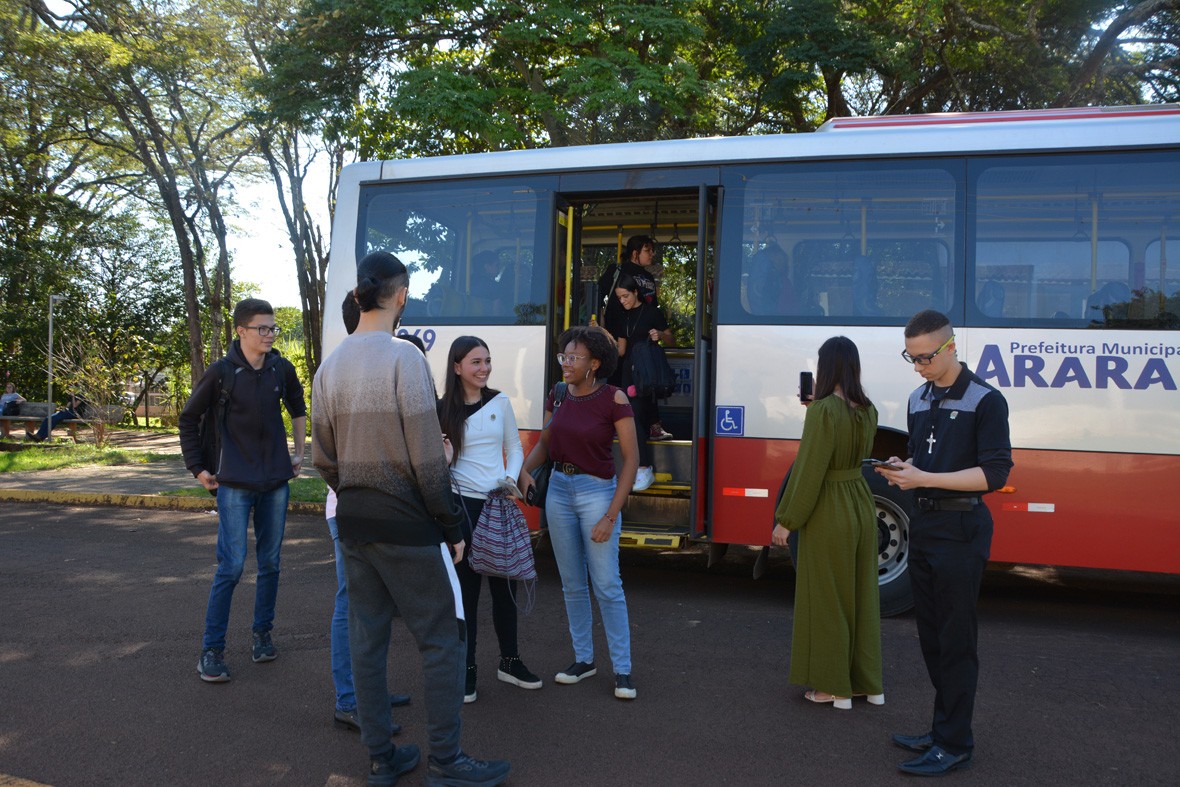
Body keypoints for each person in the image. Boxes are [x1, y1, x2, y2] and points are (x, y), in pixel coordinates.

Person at [312, 251, 510, 786]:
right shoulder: (405, 359)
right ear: (400, 295)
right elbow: (427, 459)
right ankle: (447, 762)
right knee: (443, 640)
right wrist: (452, 526)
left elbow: (323, 460)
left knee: (367, 641)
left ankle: (382, 758)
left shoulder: (328, 367)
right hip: (407, 524)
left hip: (353, 522)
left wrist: (357, 492)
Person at [876, 309, 1013, 777]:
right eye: (911, 358)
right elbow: (924, 455)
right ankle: (942, 729)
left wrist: (925, 477)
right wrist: (904, 466)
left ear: (951, 347)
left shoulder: (986, 400)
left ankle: (954, 743)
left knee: (956, 643)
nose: (918, 367)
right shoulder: (918, 397)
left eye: (926, 357)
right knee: (932, 639)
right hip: (927, 528)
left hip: (962, 530)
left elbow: (995, 474)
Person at [179, 298, 306, 683]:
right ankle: (211, 651)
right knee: (231, 567)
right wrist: (198, 468)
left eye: (273, 328)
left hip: (275, 484)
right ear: (241, 331)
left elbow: (298, 408)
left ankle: (262, 636)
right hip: (233, 483)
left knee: (270, 563)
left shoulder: (281, 369)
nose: (269, 335)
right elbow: (188, 417)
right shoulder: (221, 372)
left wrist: (299, 454)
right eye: (262, 328)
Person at [518, 324, 641, 701]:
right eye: (564, 356)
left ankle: (622, 670)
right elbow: (547, 442)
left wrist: (610, 515)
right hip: (558, 490)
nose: (566, 363)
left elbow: (632, 460)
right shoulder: (560, 394)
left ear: (594, 364)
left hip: (596, 492)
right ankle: (584, 660)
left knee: (606, 584)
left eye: (574, 358)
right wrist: (523, 470)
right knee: (572, 584)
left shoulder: (614, 399)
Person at [771, 336, 883, 711]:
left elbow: (809, 471)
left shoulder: (823, 412)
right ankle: (868, 685)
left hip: (830, 509)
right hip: (861, 504)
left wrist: (786, 521)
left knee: (827, 598)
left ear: (826, 367)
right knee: (861, 595)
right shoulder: (868, 410)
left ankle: (833, 688)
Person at [325, 293, 411, 733]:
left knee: (374, 604)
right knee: (353, 605)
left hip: (366, 505)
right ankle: (348, 699)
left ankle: (369, 691)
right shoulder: (345, 369)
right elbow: (326, 455)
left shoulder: (360, 364)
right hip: (352, 508)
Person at [438, 335, 541, 704]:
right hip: (462, 509)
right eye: (475, 362)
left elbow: (514, 448)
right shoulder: (441, 410)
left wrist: (509, 478)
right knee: (465, 595)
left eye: (487, 361)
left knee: (506, 590)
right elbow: (438, 464)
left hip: (499, 506)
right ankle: (466, 672)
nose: (484, 368)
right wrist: (446, 461)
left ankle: (510, 662)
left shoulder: (500, 401)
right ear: (457, 367)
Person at [614, 274, 674, 490]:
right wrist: (601, 333)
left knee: (635, 417)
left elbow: (671, 338)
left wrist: (660, 334)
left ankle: (644, 468)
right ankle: (641, 468)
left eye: (625, 296)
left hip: (648, 374)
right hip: (630, 373)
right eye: (619, 298)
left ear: (636, 292)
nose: (623, 301)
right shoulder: (624, 317)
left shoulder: (651, 312)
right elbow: (620, 350)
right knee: (634, 417)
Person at [598, 235, 659, 384]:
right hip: (617, 335)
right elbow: (597, 296)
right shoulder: (616, 270)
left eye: (652, 250)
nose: (652, 254)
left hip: (641, 339)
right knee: (616, 381)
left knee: (641, 382)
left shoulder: (649, 277)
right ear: (634, 253)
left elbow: (653, 307)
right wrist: (600, 324)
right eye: (647, 250)